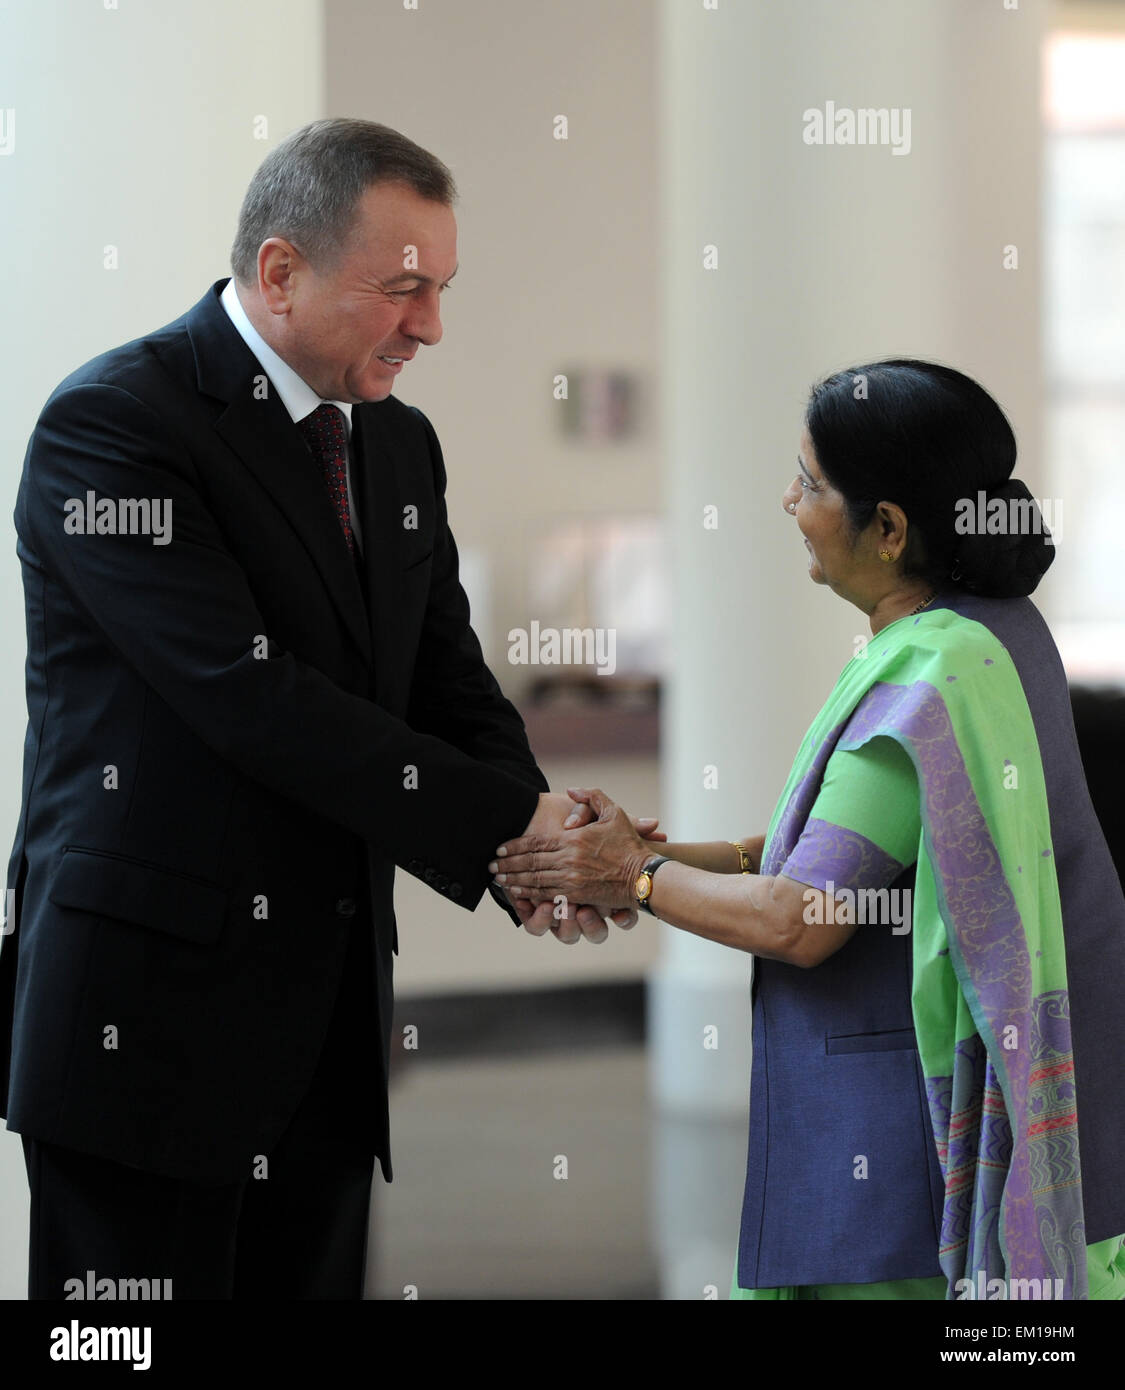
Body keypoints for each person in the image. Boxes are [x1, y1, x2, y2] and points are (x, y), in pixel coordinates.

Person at [0, 117, 648, 1301]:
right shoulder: (113, 429)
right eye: (404, 290)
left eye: (443, 290)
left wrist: (529, 844)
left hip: (328, 1033)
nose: (432, 328)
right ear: (281, 270)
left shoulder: (396, 447)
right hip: (146, 1025)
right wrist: (525, 834)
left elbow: (445, 675)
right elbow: (252, 699)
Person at [492, 359, 1125, 1299]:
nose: (788, 501)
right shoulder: (995, 630)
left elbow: (800, 915)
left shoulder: (926, 674)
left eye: (812, 482)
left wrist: (629, 877)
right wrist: (642, 854)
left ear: (888, 528)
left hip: (905, 1157)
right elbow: (836, 859)